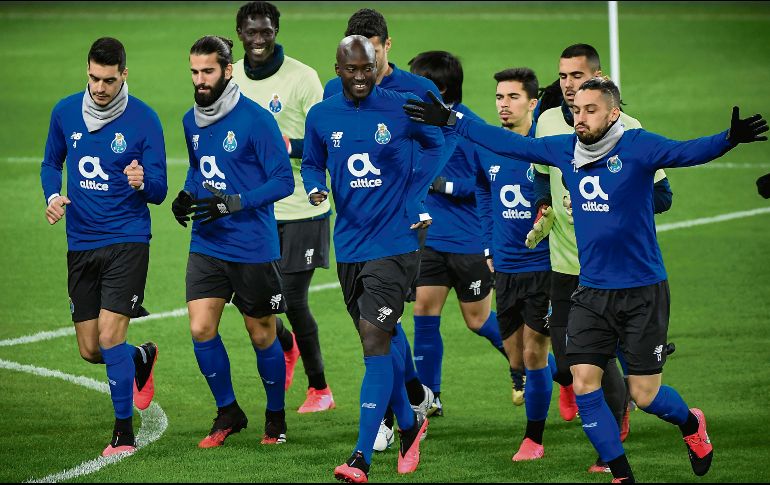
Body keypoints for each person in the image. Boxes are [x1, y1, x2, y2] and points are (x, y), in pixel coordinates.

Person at [404, 75, 767, 482]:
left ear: (614, 114)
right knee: (583, 381)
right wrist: (452, 119)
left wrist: (728, 139)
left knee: (645, 396)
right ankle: (621, 473)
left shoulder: (637, 145)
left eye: (591, 110)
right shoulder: (564, 150)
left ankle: (691, 424)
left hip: (642, 290)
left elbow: (685, 152)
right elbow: (509, 143)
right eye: (576, 109)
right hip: (591, 290)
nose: (581, 118)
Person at [303, 35, 444, 483]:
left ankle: (361, 457)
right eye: (352, 70)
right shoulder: (322, 114)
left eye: (368, 68)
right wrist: (314, 186)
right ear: (338, 69)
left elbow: (438, 145)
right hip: (349, 244)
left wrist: (414, 191)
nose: (361, 77)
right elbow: (311, 161)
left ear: (377, 63)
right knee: (385, 337)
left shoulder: (401, 107)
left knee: (373, 342)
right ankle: (409, 424)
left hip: (395, 244)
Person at [529, 45, 674, 472]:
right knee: (568, 358)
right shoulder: (549, 123)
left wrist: (608, 204)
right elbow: (541, 177)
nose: (568, 86)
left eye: (576, 76)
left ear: (597, 77)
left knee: (613, 369)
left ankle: (613, 441)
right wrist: (544, 205)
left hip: (617, 270)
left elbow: (663, 196)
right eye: (562, 76)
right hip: (564, 261)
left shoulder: (629, 129)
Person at [40, 37, 166, 457]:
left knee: (109, 338)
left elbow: (161, 189)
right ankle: (140, 359)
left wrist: (142, 182)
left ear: (124, 75)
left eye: (108, 80)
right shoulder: (64, 112)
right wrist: (51, 196)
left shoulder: (145, 119)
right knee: (90, 349)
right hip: (80, 242)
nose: (99, 88)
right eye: (93, 78)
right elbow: (50, 163)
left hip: (127, 240)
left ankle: (123, 434)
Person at [171, 35, 294, 448]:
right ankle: (228, 410)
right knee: (201, 327)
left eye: (207, 71)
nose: (200, 79)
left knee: (261, 334)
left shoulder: (257, 120)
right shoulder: (191, 120)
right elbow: (197, 168)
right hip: (207, 242)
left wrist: (236, 203)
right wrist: (187, 193)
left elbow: (283, 180)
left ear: (227, 70)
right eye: (194, 71)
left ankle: (275, 416)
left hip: (251, 247)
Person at [231, 0, 334, 413]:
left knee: (291, 298)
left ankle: (320, 388)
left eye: (266, 31)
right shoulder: (231, 76)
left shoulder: (304, 78)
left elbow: (328, 139)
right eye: (251, 32)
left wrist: (286, 145)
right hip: (252, 210)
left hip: (301, 209)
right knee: (248, 298)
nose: (259, 40)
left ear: (276, 30)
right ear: (239, 33)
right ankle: (286, 344)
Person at [406, 52, 514, 415]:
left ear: (440, 88)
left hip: (468, 241)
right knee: (423, 311)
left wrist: (444, 185)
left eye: (419, 81)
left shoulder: (471, 126)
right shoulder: (417, 121)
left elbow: (487, 182)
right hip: (431, 239)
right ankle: (429, 397)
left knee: (478, 320)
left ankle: (535, 368)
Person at [475, 67, 555, 462]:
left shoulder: (546, 146)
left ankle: (534, 439)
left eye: (513, 97)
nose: (504, 105)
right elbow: (482, 191)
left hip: (543, 266)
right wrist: (488, 244)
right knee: (517, 357)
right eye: (499, 97)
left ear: (533, 102)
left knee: (535, 354)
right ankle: (572, 378)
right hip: (504, 266)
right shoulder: (489, 145)